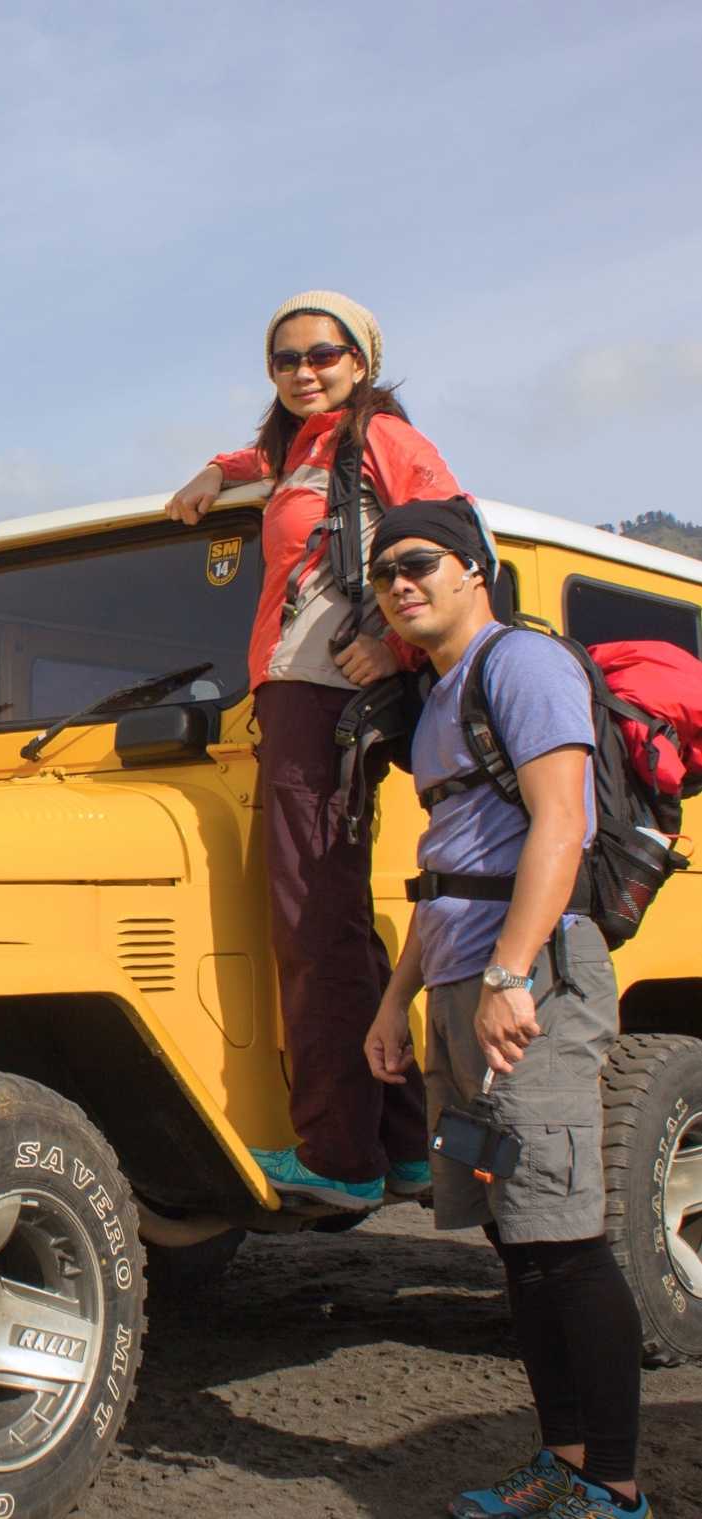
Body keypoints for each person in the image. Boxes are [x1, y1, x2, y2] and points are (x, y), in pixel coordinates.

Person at [362, 499, 650, 1518]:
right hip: (461, 987)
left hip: (529, 987)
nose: (399, 583)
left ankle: (611, 1486)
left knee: (563, 1241)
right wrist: (396, 1003)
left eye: (418, 562)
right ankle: (563, 1461)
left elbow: (561, 824)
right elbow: (444, 870)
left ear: (472, 568)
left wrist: (510, 975)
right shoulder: (438, 697)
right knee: (515, 1242)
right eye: (383, 572)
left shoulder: (519, 664)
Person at [166, 290, 458, 1209]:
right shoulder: (299, 451)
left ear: (360, 360)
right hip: (296, 690)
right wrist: (215, 470)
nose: (303, 371)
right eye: (284, 358)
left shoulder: (383, 439)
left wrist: (396, 644)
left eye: (322, 354)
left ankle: (337, 1156)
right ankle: (401, 1144)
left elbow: (455, 543)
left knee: (308, 921)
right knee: (338, 921)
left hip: (322, 693)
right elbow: (256, 460)